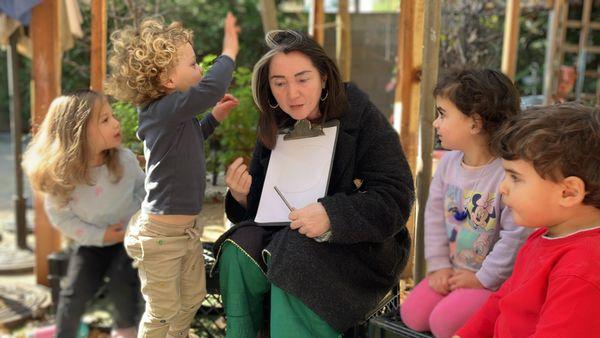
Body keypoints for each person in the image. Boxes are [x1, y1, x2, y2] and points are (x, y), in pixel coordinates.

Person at [213, 30, 414, 338]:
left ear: (323, 77)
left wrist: (332, 215)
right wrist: (242, 197)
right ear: (269, 88)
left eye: (302, 79)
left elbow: (396, 197)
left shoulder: (359, 115)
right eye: (279, 83)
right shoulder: (274, 120)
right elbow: (263, 210)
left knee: (296, 258)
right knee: (238, 249)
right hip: (286, 239)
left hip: (361, 248)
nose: (291, 93)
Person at [104, 13, 240, 337]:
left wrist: (214, 118)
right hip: (161, 236)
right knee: (163, 312)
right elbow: (211, 87)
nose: (201, 70)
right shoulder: (163, 111)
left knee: (191, 300)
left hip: (186, 231)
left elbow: (189, 143)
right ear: (167, 80)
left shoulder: (174, 117)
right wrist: (230, 51)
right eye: (193, 64)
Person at [400, 69, 531, 338]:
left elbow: (515, 236)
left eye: (442, 114)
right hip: (454, 271)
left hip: (492, 282)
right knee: (413, 315)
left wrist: (483, 279)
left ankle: (494, 319)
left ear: (474, 123)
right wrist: (438, 266)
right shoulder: (448, 164)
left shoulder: (507, 173)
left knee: (443, 324)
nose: (435, 123)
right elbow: (434, 217)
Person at [455, 103, 600, 337]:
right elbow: (503, 301)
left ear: (569, 192)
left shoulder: (581, 271)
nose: (503, 187)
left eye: (515, 177)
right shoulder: (545, 234)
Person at [22, 89, 143, 338]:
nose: (116, 123)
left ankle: (125, 331)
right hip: (92, 242)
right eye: (105, 120)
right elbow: (61, 217)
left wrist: (131, 227)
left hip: (128, 240)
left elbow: (144, 194)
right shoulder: (63, 175)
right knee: (74, 290)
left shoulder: (125, 160)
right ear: (78, 132)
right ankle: (64, 334)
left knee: (123, 282)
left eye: (112, 116)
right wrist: (102, 235)